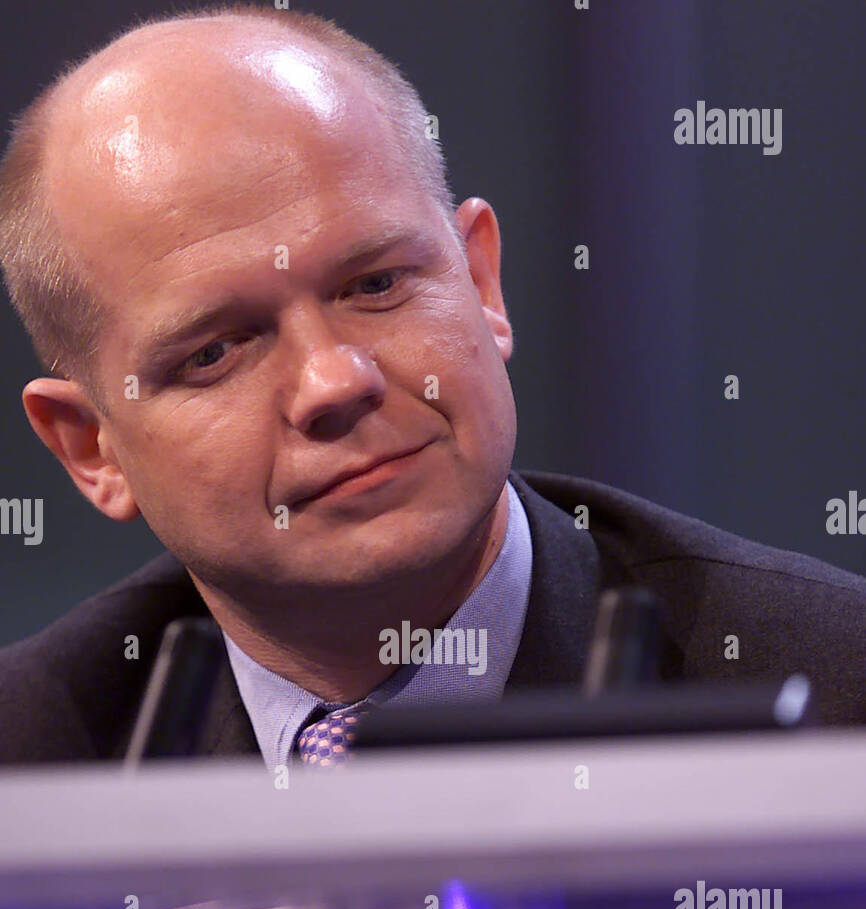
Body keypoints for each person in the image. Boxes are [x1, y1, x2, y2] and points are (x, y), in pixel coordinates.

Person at [1, 4, 865, 769]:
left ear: (481, 283)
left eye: (376, 285)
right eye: (216, 350)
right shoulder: (34, 759)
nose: (335, 381)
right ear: (91, 447)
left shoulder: (834, 692)